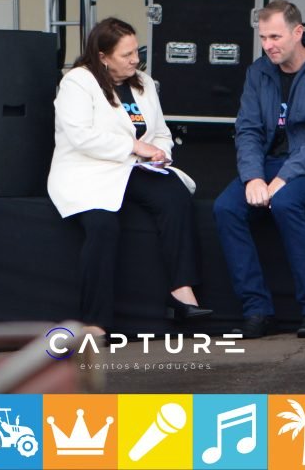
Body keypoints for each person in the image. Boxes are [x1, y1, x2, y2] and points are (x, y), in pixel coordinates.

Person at [47, 17, 211, 333]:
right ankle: (95, 323)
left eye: (136, 51)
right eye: (127, 54)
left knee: (174, 195)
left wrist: (160, 153)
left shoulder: (143, 83)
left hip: (133, 167)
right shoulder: (77, 82)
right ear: (103, 57)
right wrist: (135, 146)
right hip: (87, 171)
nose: (136, 59)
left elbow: (161, 132)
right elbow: (81, 137)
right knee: (103, 226)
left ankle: (182, 292)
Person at [213, 0, 305, 339]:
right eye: (263, 37)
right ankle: (258, 310)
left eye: (275, 36)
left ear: (297, 32)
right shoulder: (259, 71)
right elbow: (247, 129)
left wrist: (284, 177)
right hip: (269, 163)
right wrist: (253, 176)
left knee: (286, 202)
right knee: (225, 208)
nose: (268, 45)